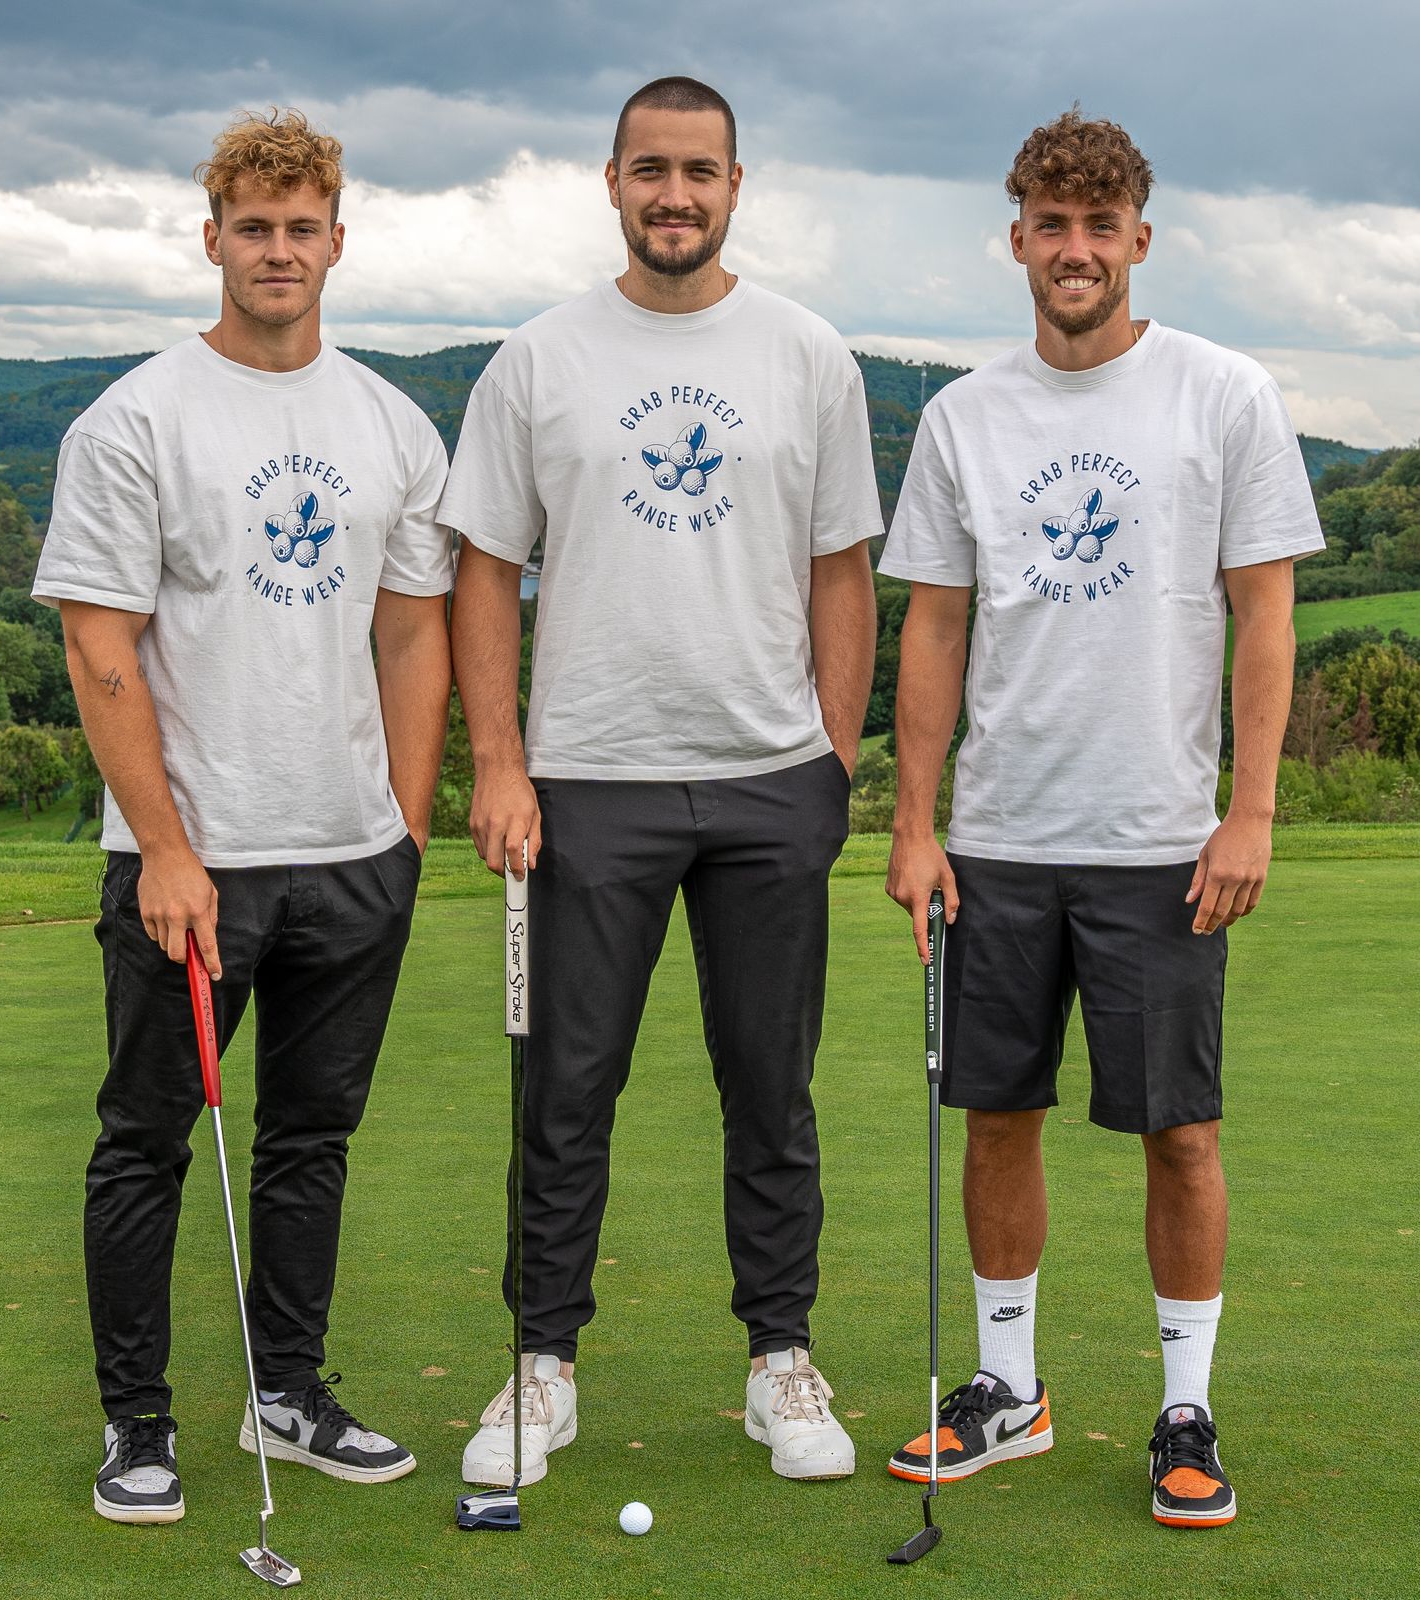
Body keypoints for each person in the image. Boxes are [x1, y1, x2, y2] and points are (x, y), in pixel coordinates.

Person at [878, 105, 1324, 1529]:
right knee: (996, 1118)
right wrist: (913, 823)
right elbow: (934, 627)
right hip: (999, 843)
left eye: (1100, 225)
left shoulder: (1224, 395)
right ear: (1017, 239)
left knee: (1178, 1133)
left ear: (1140, 239)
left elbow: (1264, 615)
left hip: (1160, 847)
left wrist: (1251, 811)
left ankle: (1185, 1412)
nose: (1076, 249)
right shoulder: (963, 416)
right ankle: (1007, 1392)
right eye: (1052, 225)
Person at [442, 75, 880, 1486]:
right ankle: (542, 1367)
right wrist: (498, 762)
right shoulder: (537, 359)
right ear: (613, 181)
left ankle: (780, 1362)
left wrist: (833, 757)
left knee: (773, 1091)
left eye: (700, 171)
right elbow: (482, 570)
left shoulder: (808, 353)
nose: (674, 195)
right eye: (651, 170)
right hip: (588, 781)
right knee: (566, 1091)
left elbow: (843, 570)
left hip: (769, 780)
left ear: (735, 185)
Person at [32, 108, 454, 1523]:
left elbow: (412, 633)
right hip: (191, 869)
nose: (280, 249)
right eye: (255, 227)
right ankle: (137, 1425)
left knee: (309, 1145)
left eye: (302, 227)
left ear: (338, 240)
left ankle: (289, 1394)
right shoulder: (135, 420)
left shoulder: (391, 424)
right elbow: (98, 645)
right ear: (211, 238)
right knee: (145, 1145)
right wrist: (162, 847)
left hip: (351, 861)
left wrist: (401, 828)